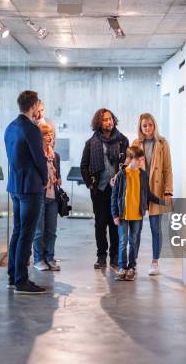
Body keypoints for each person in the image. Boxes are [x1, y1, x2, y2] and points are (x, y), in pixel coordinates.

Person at [4, 90, 48, 294]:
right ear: (32, 106)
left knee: (17, 232)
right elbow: (39, 159)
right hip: (30, 187)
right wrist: (46, 178)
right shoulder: (31, 129)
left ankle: (13, 276)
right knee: (26, 235)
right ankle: (21, 280)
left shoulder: (10, 127)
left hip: (15, 186)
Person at [80, 108, 129, 270]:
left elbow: (128, 165)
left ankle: (114, 257)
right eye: (104, 119)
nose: (108, 122)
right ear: (99, 123)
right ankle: (101, 256)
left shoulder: (123, 141)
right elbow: (84, 166)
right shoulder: (91, 142)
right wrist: (91, 184)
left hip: (118, 191)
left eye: (110, 119)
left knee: (116, 223)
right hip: (99, 191)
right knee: (100, 224)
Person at [111, 146, 164, 281]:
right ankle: (122, 267)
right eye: (138, 160)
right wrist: (115, 215)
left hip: (137, 215)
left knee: (133, 241)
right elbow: (114, 196)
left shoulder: (143, 175)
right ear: (129, 159)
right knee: (123, 241)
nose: (141, 162)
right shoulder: (121, 175)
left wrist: (162, 201)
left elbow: (148, 194)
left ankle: (132, 268)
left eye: (142, 160)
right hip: (123, 215)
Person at [131, 113, 173, 276]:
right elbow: (130, 166)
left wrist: (168, 190)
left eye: (149, 124)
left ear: (154, 125)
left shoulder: (162, 143)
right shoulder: (135, 143)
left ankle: (155, 262)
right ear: (140, 127)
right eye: (144, 125)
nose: (147, 128)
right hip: (139, 191)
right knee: (136, 229)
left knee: (156, 228)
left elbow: (167, 169)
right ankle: (132, 263)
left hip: (156, 190)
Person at [32, 122, 62, 272]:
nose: (49, 136)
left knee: (51, 230)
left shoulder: (55, 156)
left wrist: (57, 179)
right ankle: (38, 259)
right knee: (39, 230)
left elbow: (59, 175)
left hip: (53, 197)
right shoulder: (36, 155)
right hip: (39, 195)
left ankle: (50, 257)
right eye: (45, 134)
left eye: (50, 133)